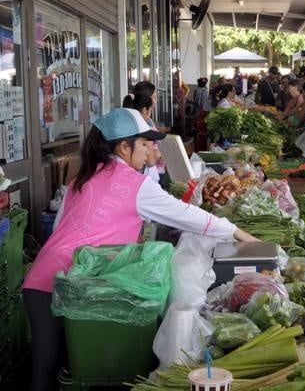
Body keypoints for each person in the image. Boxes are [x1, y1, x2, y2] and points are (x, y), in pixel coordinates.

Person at [22, 108, 258, 391]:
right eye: (145, 144)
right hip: (68, 284)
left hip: (44, 281)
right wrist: (235, 231)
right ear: (124, 146)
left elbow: (61, 229)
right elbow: (189, 216)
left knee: (52, 371)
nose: (151, 152)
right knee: (62, 373)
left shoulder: (84, 177)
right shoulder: (134, 184)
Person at [122, 82, 162, 183]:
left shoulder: (134, 120)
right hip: (145, 178)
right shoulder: (143, 125)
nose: (155, 102)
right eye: (154, 97)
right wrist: (158, 153)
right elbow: (151, 161)